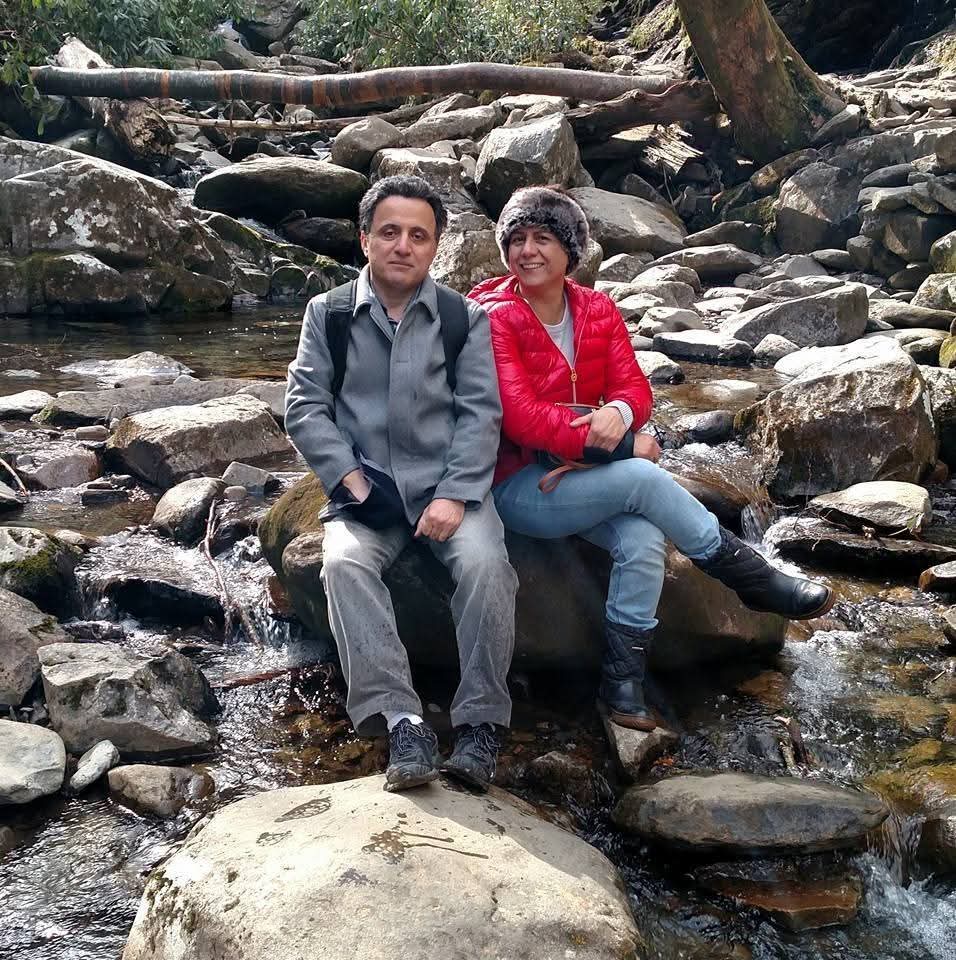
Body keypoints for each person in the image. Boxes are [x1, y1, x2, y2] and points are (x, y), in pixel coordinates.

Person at [469, 186, 832, 732]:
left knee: (640, 541)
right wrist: (623, 445)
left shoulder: (597, 308)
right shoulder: (494, 316)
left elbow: (636, 388)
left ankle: (620, 688)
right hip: (520, 484)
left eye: (543, 237)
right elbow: (519, 417)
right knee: (641, 476)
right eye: (517, 239)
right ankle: (751, 578)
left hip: (586, 475)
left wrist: (618, 410)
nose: (528, 251)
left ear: (571, 249)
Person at [286, 175, 517, 792]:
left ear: (436, 246)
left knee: (487, 565)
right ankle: (401, 718)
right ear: (365, 239)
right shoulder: (328, 313)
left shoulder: (462, 318)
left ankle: (481, 723)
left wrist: (453, 493)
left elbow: (480, 413)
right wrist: (352, 482)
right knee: (344, 566)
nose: (403, 246)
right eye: (390, 232)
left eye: (419, 235)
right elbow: (305, 408)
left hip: (451, 488)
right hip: (367, 493)